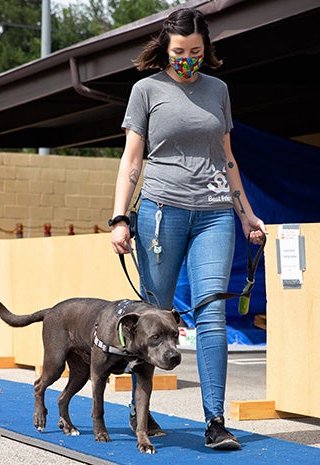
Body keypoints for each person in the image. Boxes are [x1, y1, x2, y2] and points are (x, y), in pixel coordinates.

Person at [109, 7, 267, 451]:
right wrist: (120, 217)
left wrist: (246, 213)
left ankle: (215, 420)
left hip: (215, 211)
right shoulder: (147, 90)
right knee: (152, 315)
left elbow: (227, 156)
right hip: (161, 212)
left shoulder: (218, 89)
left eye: (195, 51)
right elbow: (132, 160)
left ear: (206, 49)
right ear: (166, 48)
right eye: (179, 51)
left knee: (212, 313)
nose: (187, 58)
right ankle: (143, 410)